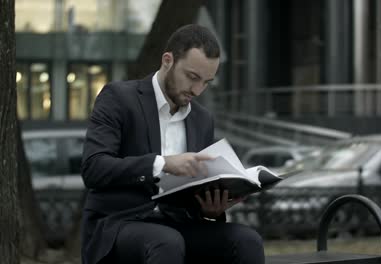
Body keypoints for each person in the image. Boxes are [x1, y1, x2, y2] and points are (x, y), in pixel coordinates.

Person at [80, 24, 265, 264]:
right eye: (192, 77)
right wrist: (163, 164)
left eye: (206, 82)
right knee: (166, 241)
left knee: (247, 240)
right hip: (119, 223)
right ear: (168, 60)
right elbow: (94, 168)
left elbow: (193, 189)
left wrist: (210, 209)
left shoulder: (202, 119)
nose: (197, 90)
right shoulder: (118, 98)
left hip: (178, 224)